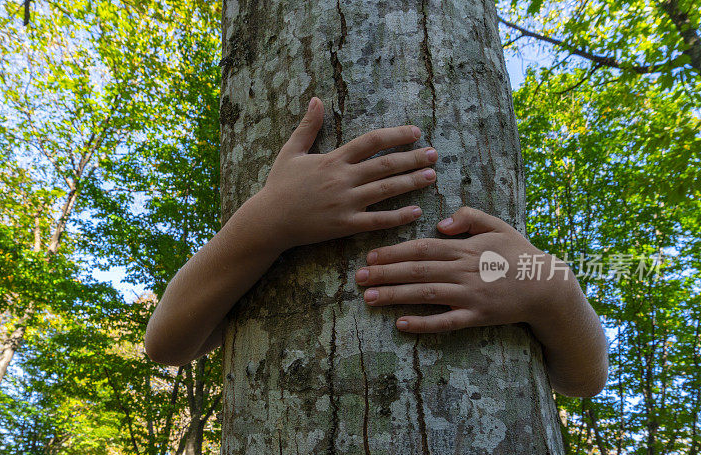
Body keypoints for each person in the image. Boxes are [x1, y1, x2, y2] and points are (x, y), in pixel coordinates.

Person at [144, 96, 608, 398]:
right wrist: (268, 219)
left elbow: (585, 381)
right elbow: (166, 342)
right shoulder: (255, 258)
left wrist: (553, 285)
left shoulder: (516, 255)